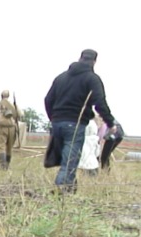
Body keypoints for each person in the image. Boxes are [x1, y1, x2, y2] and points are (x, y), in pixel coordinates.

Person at [44, 49, 116, 192]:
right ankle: (61, 189)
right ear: (94, 61)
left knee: (67, 158)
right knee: (70, 159)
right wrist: (110, 122)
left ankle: (70, 187)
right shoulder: (92, 78)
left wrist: (54, 118)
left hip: (57, 123)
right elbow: (99, 102)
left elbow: (48, 99)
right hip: (75, 123)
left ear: (80, 58)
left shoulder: (61, 77)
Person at [0, 90, 20, 169]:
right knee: (9, 148)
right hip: (12, 128)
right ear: (8, 96)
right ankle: (8, 165)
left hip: (2, 128)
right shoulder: (13, 105)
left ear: (1, 96)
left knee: (1, 147)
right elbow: (21, 114)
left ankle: (3, 166)